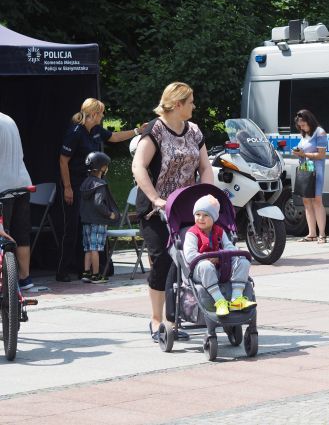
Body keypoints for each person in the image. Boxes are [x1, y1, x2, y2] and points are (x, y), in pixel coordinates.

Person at [132, 82, 214, 342]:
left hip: (186, 208)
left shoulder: (194, 131)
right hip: (156, 212)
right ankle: (158, 320)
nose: (194, 106)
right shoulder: (154, 130)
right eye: (190, 102)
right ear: (177, 104)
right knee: (163, 261)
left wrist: (208, 196)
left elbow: (205, 166)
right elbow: (138, 167)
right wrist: (156, 198)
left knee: (188, 260)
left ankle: (175, 318)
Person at [58, 98, 146, 282]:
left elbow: (114, 137)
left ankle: (93, 269)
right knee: (72, 227)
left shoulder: (97, 130)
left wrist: (138, 131)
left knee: (92, 222)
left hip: (93, 185)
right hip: (75, 185)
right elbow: (63, 160)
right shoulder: (75, 132)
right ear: (92, 114)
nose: (103, 115)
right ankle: (64, 269)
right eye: (101, 112)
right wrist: (67, 187)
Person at [184, 195, 256, 316]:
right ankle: (220, 301)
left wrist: (233, 254)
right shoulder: (192, 233)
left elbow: (229, 247)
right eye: (198, 214)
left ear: (214, 218)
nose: (201, 218)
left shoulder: (219, 231)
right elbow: (190, 255)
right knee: (206, 265)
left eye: (206, 215)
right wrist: (206, 257)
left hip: (221, 267)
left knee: (243, 261)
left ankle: (236, 299)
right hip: (200, 270)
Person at [0, 112, 34, 290]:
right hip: (22, 183)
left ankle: (5, 281)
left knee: (2, 234)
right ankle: (25, 278)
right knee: (21, 234)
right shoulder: (9, 119)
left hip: (2, 185)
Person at [79, 152, 120, 284]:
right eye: (106, 166)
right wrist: (109, 214)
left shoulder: (85, 183)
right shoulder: (100, 184)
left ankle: (86, 273)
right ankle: (96, 275)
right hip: (97, 221)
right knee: (95, 248)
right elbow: (98, 203)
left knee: (88, 248)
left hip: (86, 221)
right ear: (102, 168)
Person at [292, 109, 328, 243]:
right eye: (300, 126)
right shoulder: (304, 134)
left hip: (316, 170)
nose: (301, 127)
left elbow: (321, 155)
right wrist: (297, 151)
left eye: (303, 125)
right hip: (305, 168)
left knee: (317, 201)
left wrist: (303, 154)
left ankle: (322, 234)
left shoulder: (320, 132)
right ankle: (312, 233)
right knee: (306, 201)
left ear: (309, 121)